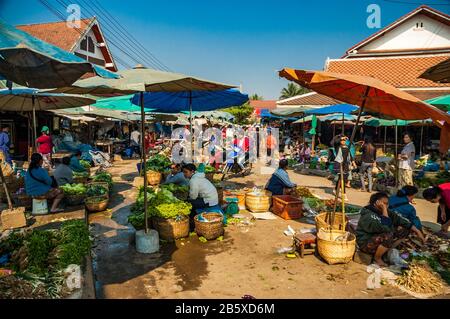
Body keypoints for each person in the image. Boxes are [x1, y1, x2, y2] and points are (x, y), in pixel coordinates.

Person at [356, 192, 425, 267]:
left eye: (387, 204)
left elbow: (401, 220)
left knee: (404, 230)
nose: (387, 206)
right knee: (388, 235)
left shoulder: (386, 211)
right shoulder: (369, 215)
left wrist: (418, 231)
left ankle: (385, 251)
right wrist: (384, 209)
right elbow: (385, 228)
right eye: (384, 204)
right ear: (377, 203)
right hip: (365, 243)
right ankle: (377, 258)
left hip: (377, 238)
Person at [332, 135, 355, 201]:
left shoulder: (347, 147)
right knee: (341, 178)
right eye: (342, 140)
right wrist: (341, 137)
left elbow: (349, 155)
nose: (343, 141)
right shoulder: (337, 147)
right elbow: (334, 141)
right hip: (339, 164)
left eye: (344, 140)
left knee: (342, 179)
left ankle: (336, 189)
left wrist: (353, 162)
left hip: (346, 165)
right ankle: (344, 194)